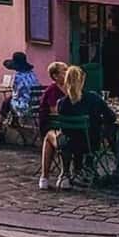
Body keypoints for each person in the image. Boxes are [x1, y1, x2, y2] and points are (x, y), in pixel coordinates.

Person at [41, 65, 115, 190]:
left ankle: (54, 176)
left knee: (52, 136)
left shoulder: (62, 103)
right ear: (83, 80)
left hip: (69, 144)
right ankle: (76, 171)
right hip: (91, 143)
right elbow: (111, 117)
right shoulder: (94, 98)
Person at [38, 61, 68, 189]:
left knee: (62, 138)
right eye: (64, 71)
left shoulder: (70, 87)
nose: (67, 73)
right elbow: (54, 111)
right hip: (51, 123)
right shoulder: (53, 90)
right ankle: (63, 175)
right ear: (55, 76)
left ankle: (45, 176)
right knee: (57, 137)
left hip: (67, 124)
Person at [0, 52, 39, 130]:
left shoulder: (18, 76)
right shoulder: (32, 74)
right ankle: (13, 121)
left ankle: (0, 122)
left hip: (25, 106)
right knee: (9, 100)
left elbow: (16, 94)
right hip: (36, 105)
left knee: (7, 101)